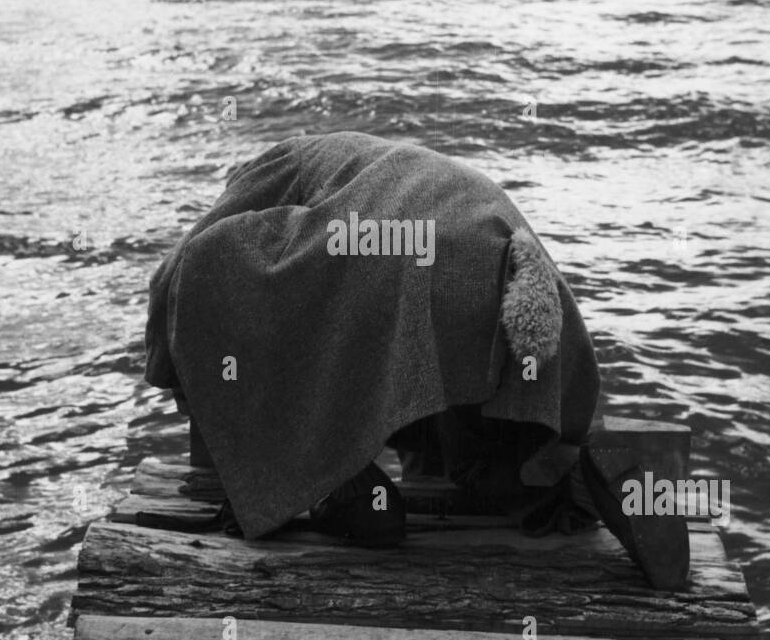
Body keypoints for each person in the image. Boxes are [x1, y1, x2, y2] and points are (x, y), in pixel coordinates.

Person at [144, 131, 688, 589]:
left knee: (214, 274)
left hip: (416, 251)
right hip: (502, 246)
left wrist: (243, 444)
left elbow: (187, 273)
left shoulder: (265, 172)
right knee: (491, 456)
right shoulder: (349, 157)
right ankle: (600, 468)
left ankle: (355, 496)